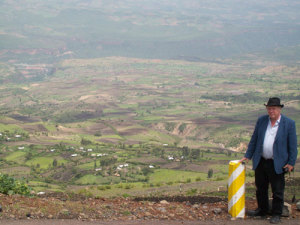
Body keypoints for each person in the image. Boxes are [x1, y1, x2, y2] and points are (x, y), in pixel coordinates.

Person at [240, 97, 298, 224]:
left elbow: (293, 146)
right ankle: (262, 210)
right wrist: (248, 155)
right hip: (261, 160)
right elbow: (254, 139)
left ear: (279, 109)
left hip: (277, 163)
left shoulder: (289, 124)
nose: (271, 111)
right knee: (260, 188)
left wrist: (291, 163)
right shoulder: (261, 120)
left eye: (274, 108)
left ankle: (276, 213)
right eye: (269, 108)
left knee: (277, 190)